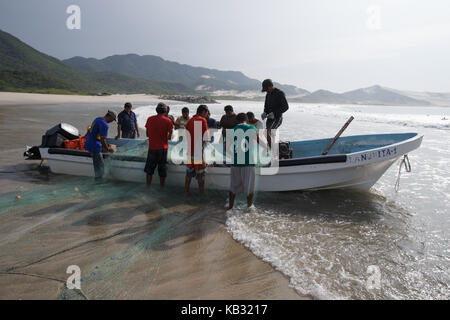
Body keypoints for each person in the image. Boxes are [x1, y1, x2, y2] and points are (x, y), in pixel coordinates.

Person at [227, 113, 259, 210]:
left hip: (236, 162)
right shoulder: (252, 128)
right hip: (248, 162)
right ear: (247, 120)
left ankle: (230, 207)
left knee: (233, 186)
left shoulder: (232, 130)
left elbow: (227, 147)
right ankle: (249, 207)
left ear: (237, 121)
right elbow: (257, 141)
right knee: (250, 188)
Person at [144, 103, 173, 189]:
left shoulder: (149, 119)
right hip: (163, 149)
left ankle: (148, 187)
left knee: (149, 171)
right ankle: (161, 188)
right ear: (165, 111)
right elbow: (170, 134)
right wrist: (166, 137)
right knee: (162, 170)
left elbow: (147, 134)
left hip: (152, 148)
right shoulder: (168, 121)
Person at [84, 110, 117, 181]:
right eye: (112, 120)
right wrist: (108, 149)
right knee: (100, 169)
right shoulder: (104, 125)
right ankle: (98, 183)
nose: (111, 122)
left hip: (88, 143)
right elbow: (103, 139)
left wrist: (106, 145)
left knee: (98, 165)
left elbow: (93, 133)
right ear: (110, 117)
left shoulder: (97, 119)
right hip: (95, 147)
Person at [185, 104, 210, 196]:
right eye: (206, 113)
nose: (207, 115)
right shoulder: (203, 120)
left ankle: (186, 192)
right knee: (200, 175)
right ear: (203, 112)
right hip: (198, 152)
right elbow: (207, 137)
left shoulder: (190, 120)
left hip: (189, 151)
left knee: (188, 174)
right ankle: (201, 194)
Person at [261, 79, 289, 147]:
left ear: (271, 86)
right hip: (270, 119)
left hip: (277, 118)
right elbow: (266, 107)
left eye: (267, 89)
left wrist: (274, 113)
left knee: (268, 133)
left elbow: (285, 107)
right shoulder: (268, 95)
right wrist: (265, 112)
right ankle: (274, 151)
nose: (266, 91)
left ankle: (274, 152)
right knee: (270, 135)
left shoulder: (279, 93)